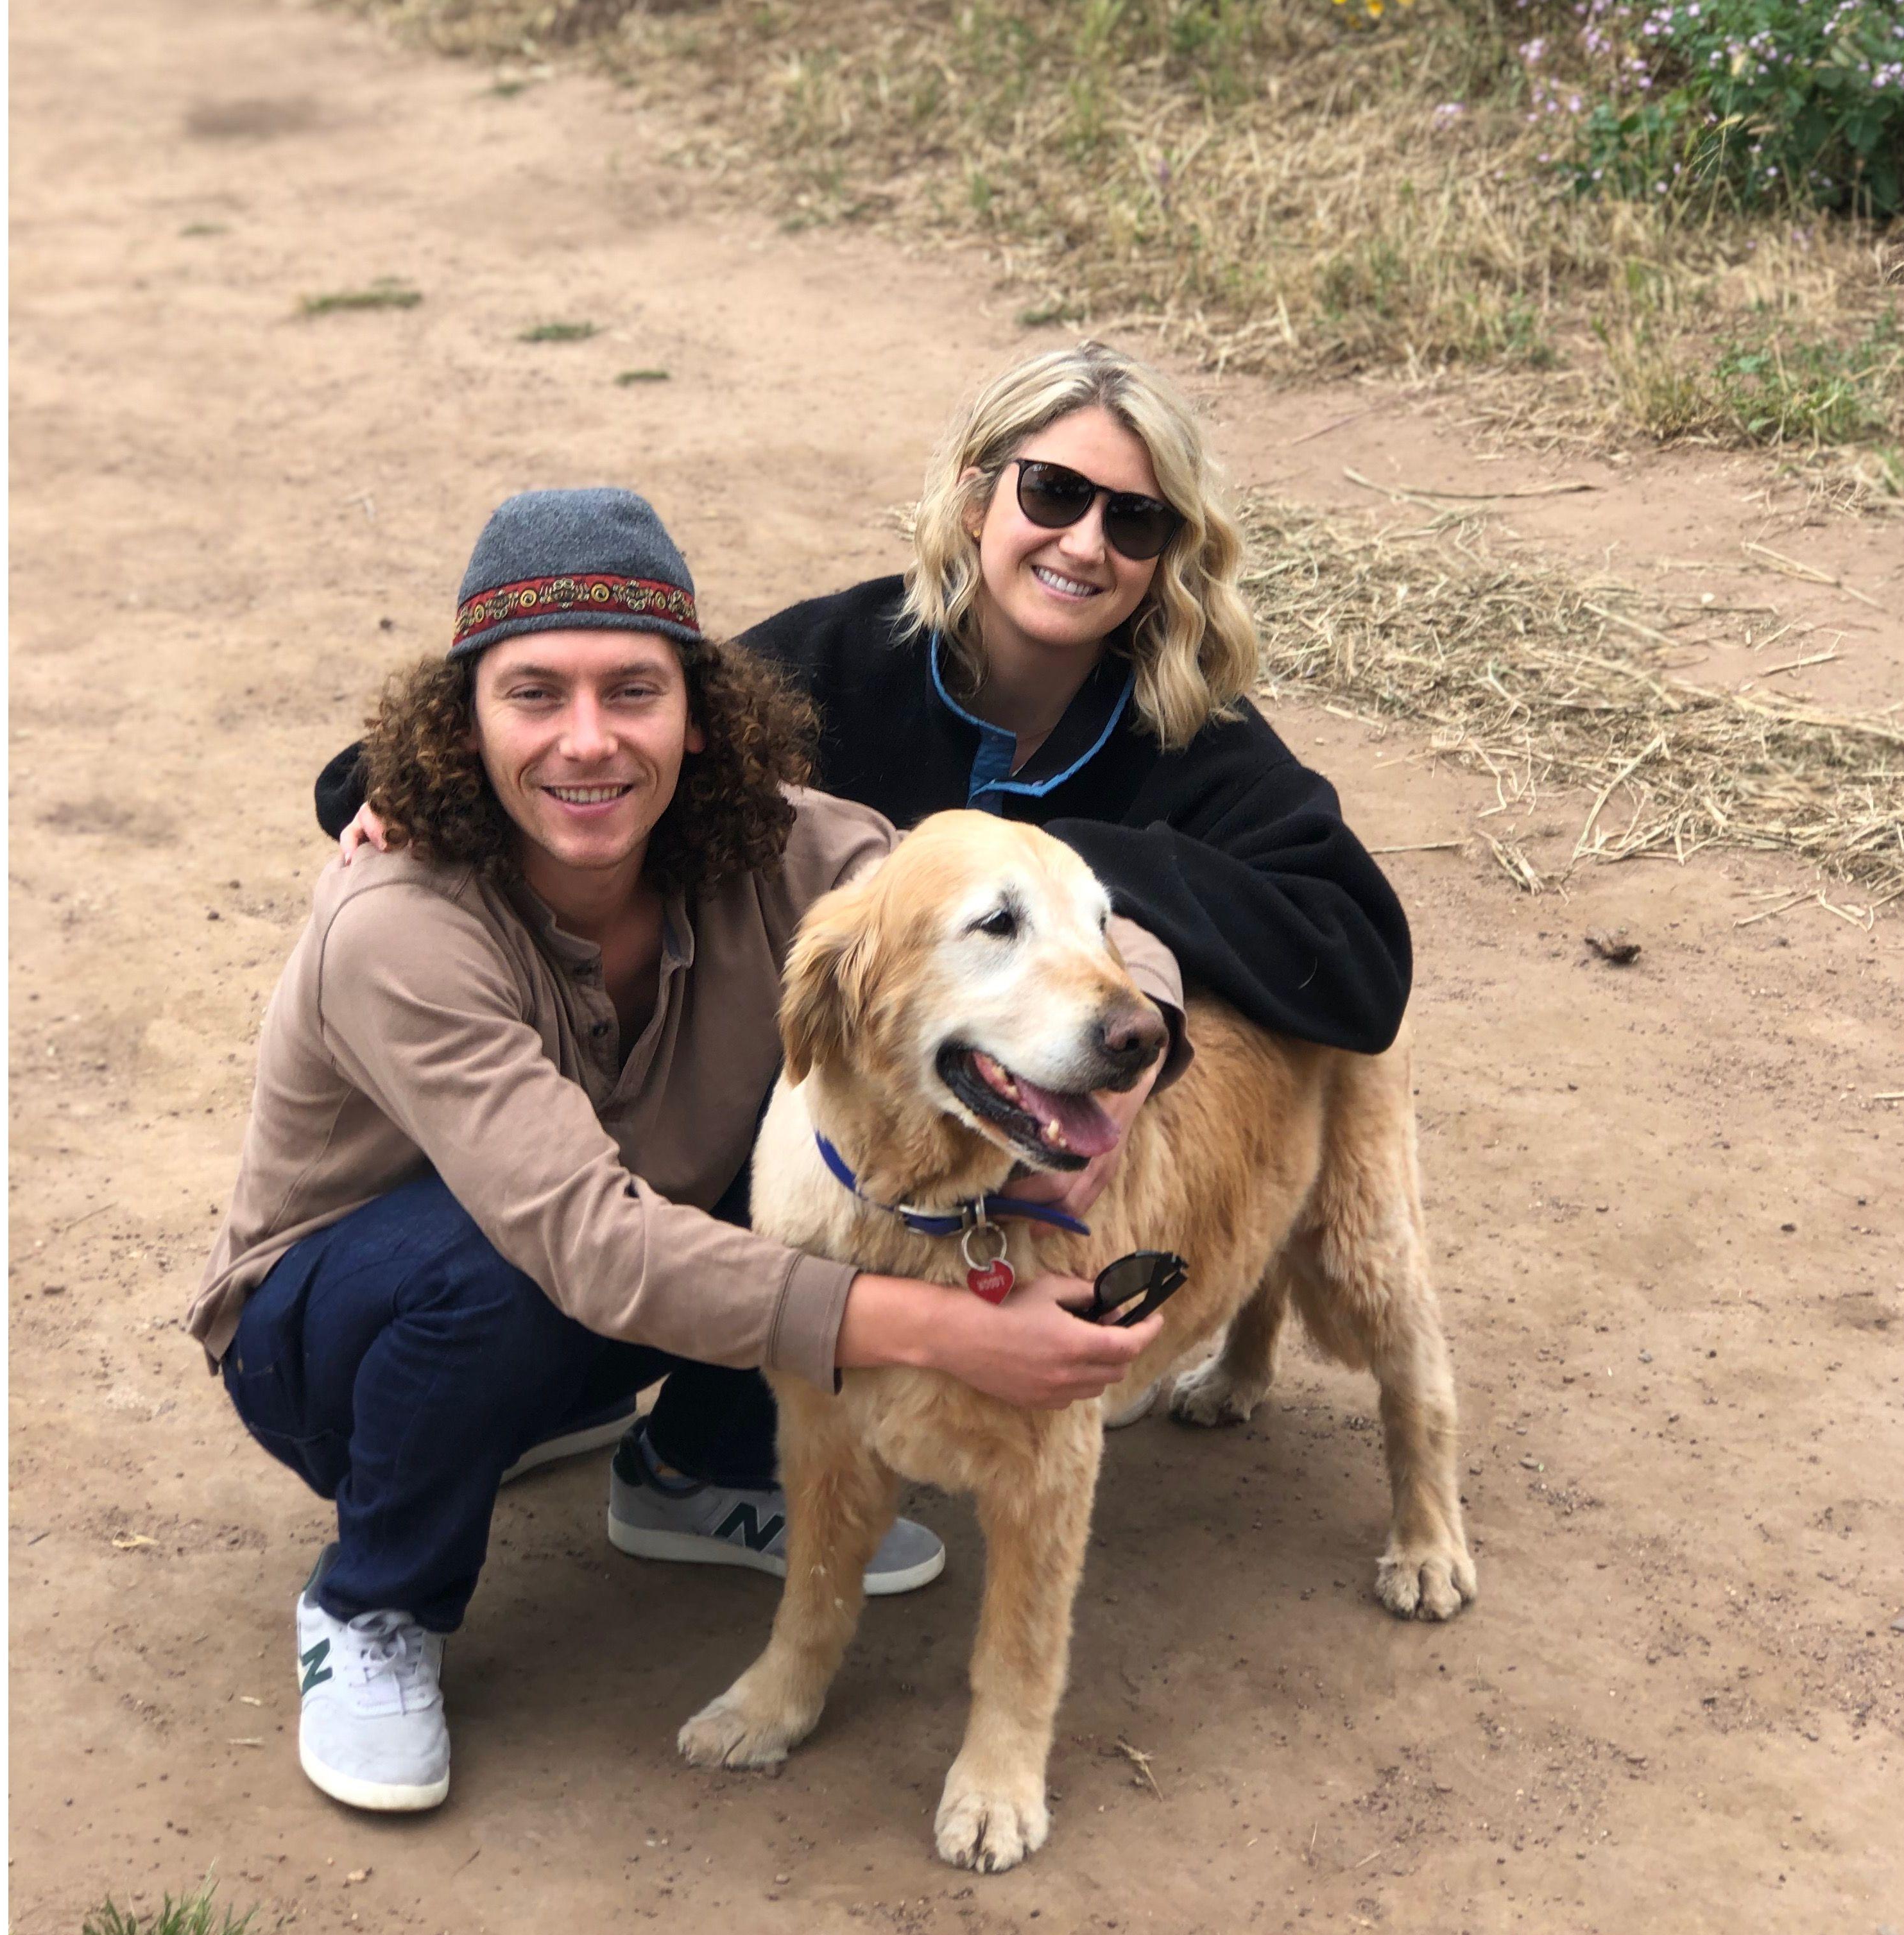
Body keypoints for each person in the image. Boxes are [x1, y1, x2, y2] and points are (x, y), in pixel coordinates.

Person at [193, 487, 1176, 1816]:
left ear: (696, 715)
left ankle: (693, 1471)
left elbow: (1049, 904)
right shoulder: (398, 926)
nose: (588, 740)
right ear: (465, 722)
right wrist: (954, 1334)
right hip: (340, 1339)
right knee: (496, 1264)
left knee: (833, 1088)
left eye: (633, 692)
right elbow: (588, 1242)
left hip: (600, 1297)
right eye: (534, 694)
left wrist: (1134, 1036)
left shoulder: (774, 850)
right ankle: (375, 1604)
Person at [320, 343, 1413, 1117]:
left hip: (1063, 1129)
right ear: (978, 500)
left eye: (1133, 518)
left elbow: (1357, 961)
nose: (1085, 543)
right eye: (1052, 493)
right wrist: (401, 791)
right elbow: (585, 729)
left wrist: (1059, 873)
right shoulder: (841, 656)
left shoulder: (1188, 729)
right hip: (809, 1127)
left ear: (1169, 552)